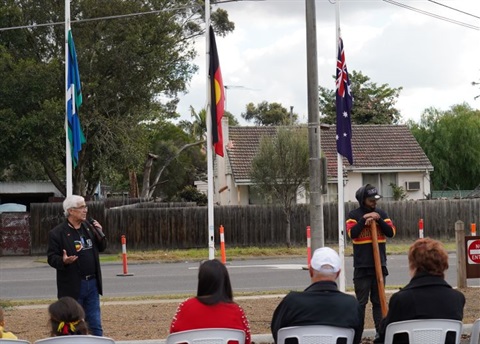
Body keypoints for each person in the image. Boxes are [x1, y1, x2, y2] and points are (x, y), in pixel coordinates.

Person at [374, 238, 465, 344]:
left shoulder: (401, 299)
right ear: (443, 265)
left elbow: (384, 337)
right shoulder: (457, 298)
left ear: (413, 266)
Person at [271, 247, 362, 344]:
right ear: (338, 273)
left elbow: (277, 334)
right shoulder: (351, 305)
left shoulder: (291, 302)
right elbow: (355, 339)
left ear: (310, 271)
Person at [47, 195, 107, 336]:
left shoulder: (89, 227)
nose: (85, 210)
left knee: (95, 323)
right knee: (74, 324)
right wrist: (64, 261)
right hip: (73, 285)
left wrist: (100, 233)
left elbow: (102, 247)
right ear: (71, 211)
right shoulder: (57, 233)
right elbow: (51, 258)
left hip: (92, 283)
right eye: (81, 207)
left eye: (85, 206)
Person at [346, 184, 396, 339]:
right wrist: (363, 220)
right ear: (362, 200)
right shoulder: (353, 215)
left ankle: (380, 335)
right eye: (371, 199)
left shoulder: (381, 213)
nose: (374, 202)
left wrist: (378, 219)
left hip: (379, 266)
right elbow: (352, 234)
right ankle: (357, 336)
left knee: (379, 302)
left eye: (376, 199)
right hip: (362, 266)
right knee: (361, 304)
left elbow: (391, 232)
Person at [170, 259, 251, 344]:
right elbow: (246, 340)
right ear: (225, 282)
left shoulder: (185, 307)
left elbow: (174, 337)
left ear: (201, 281)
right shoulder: (236, 311)